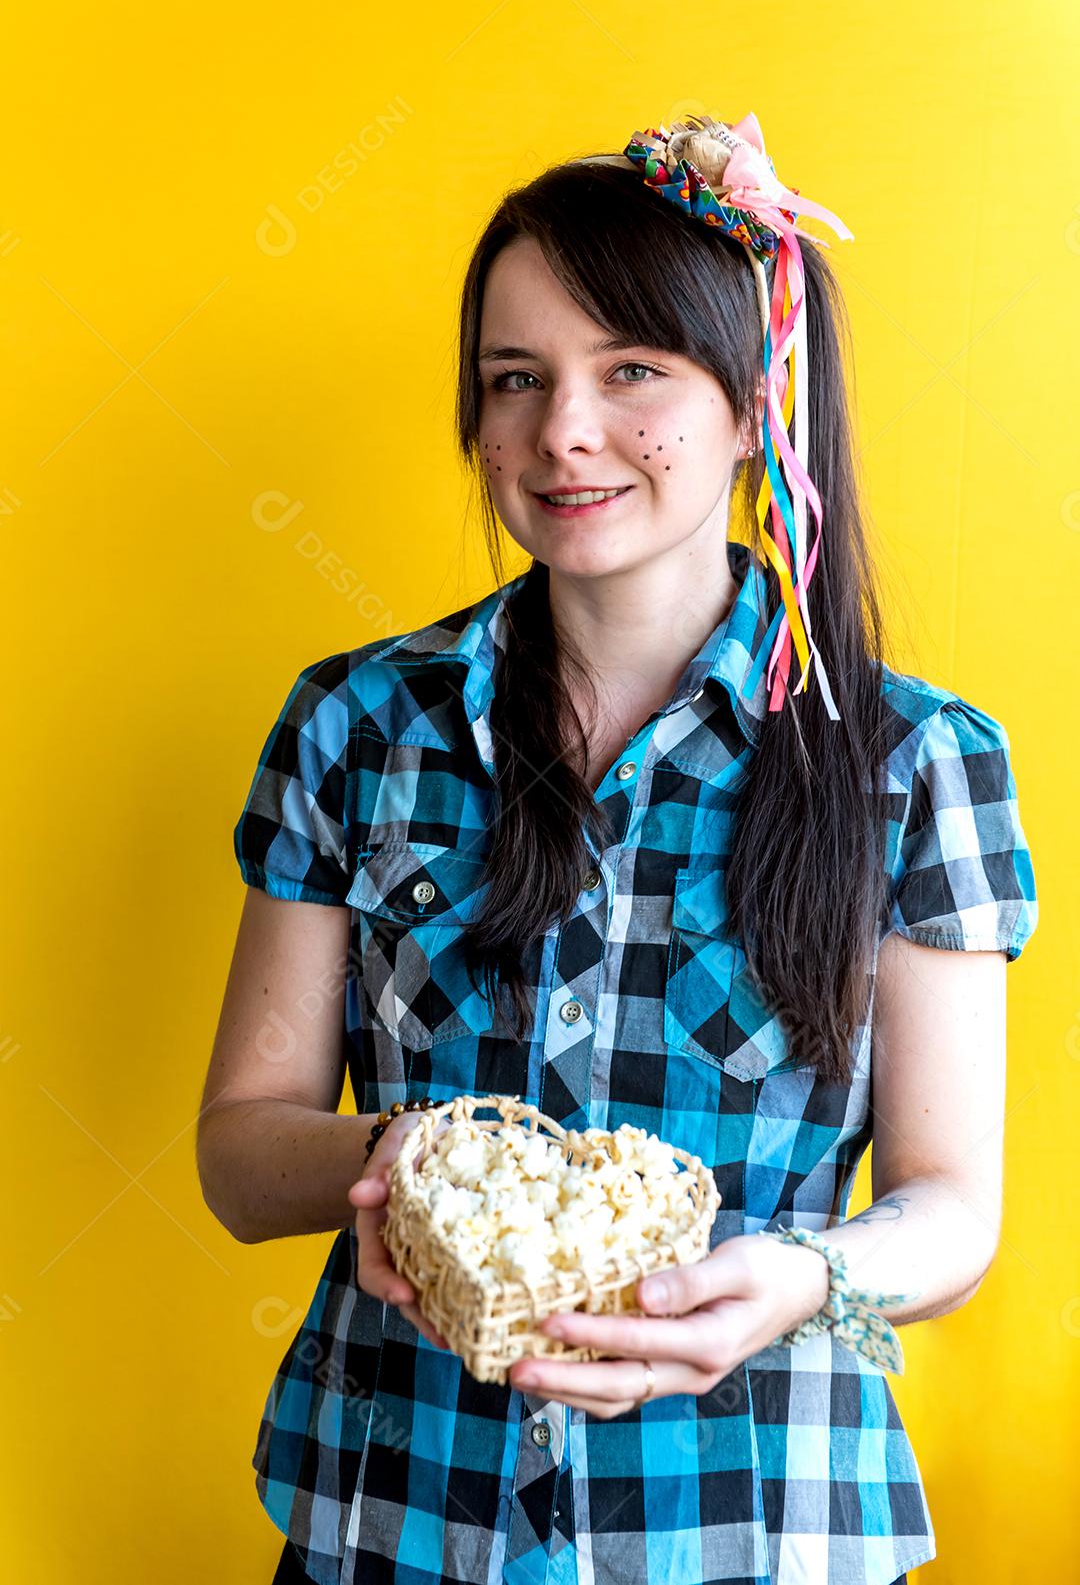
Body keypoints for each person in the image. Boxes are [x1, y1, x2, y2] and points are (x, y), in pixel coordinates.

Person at [197, 114, 1038, 1585]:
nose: (561, 432)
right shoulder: (354, 724)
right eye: (513, 380)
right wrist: (397, 1160)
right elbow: (242, 1145)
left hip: (761, 1528)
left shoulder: (918, 763)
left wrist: (805, 1275)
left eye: (630, 371)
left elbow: (950, 1204)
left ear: (753, 395)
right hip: (397, 1518)